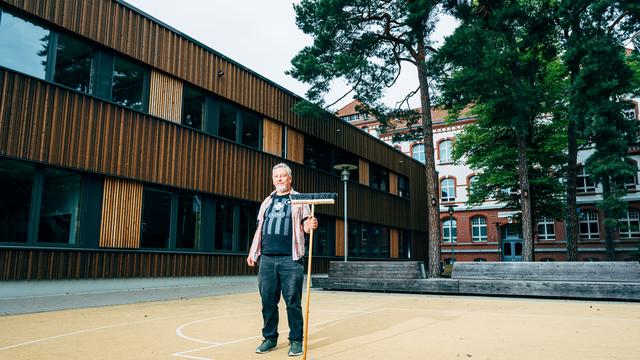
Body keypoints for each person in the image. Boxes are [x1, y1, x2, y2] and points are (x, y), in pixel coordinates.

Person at [247, 163, 318, 356]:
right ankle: (270, 338)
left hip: (291, 259)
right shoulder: (266, 202)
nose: (279, 179)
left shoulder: (299, 199)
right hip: (267, 259)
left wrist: (310, 225)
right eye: (276, 176)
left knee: (292, 302)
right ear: (273, 179)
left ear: (290, 179)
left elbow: (305, 225)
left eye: (283, 176)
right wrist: (253, 252)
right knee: (268, 301)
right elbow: (259, 229)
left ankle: (296, 340)